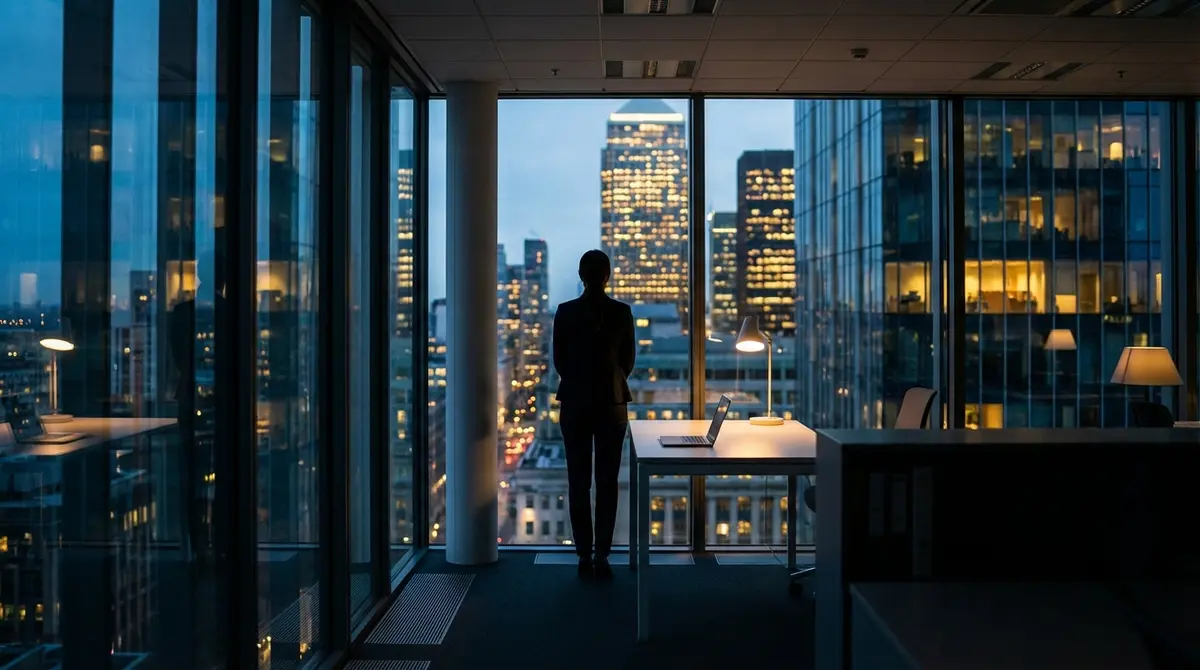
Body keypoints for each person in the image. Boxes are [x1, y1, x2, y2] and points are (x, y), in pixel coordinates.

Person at [552, 249, 635, 579]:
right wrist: (609, 380)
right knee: (607, 481)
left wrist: (579, 380)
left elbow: (559, 361)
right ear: (607, 276)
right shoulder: (622, 312)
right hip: (612, 403)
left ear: (580, 276)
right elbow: (628, 361)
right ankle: (602, 554)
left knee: (578, 481)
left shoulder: (565, 312)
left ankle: (583, 554)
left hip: (575, 402)